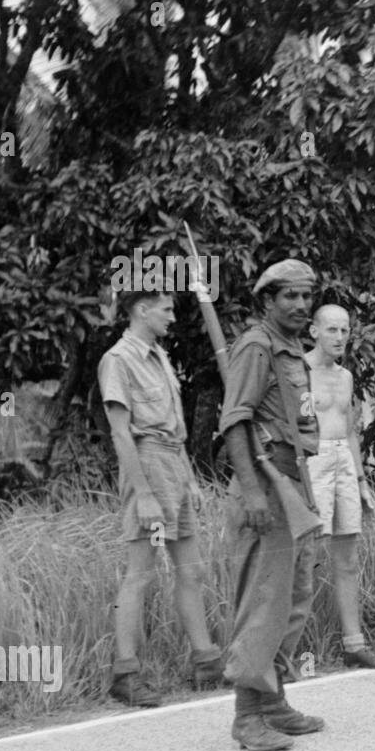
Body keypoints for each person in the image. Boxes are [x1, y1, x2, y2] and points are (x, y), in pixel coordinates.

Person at [98, 284, 223, 707]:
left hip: (174, 463)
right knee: (141, 573)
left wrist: (189, 480)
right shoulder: (118, 360)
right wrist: (144, 494)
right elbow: (121, 432)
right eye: (166, 310)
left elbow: (175, 430)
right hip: (146, 465)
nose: (172, 317)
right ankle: (126, 674)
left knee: (192, 571)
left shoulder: (161, 358)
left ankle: (206, 662)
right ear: (142, 309)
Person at [219, 259, 325, 751]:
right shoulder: (256, 347)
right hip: (266, 486)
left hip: (293, 483)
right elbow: (235, 422)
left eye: (307, 297)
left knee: (294, 597)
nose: (301, 305)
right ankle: (247, 715)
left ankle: (274, 701)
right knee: (264, 601)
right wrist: (254, 490)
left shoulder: (291, 350)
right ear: (268, 300)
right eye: (290, 297)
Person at [305, 305, 375, 670]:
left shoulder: (345, 377)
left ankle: (353, 643)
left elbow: (351, 431)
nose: (339, 337)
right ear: (314, 331)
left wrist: (360, 481)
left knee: (348, 555)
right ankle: (288, 650)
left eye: (345, 330)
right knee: (306, 557)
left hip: (344, 460)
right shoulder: (300, 371)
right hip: (313, 461)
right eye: (331, 330)